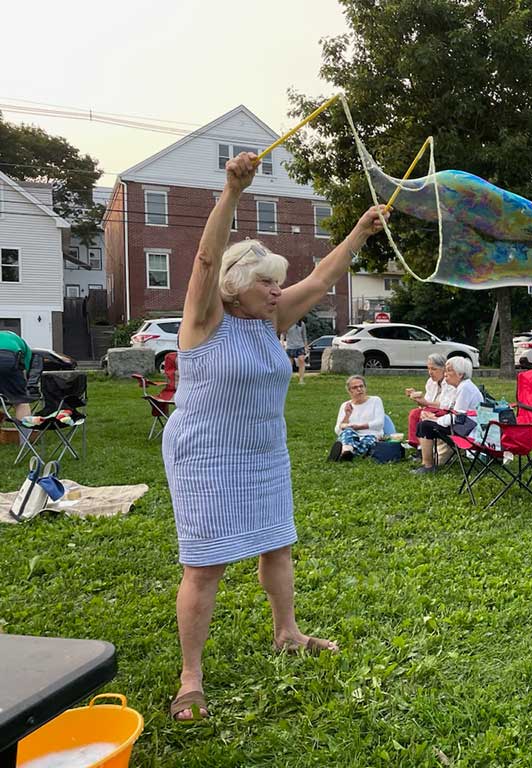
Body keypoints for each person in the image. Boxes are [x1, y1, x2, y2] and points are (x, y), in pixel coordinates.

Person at [162, 151, 388, 721]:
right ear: (238, 287)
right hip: (205, 455)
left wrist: (361, 230)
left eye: (276, 284)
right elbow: (207, 259)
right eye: (266, 283)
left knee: (277, 546)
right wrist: (231, 193)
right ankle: (191, 677)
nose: (276, 291)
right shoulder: (204, 321)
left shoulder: (273, 320)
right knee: (205, 565)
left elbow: (323, 276)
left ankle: (286, 632)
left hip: (263, 451)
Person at [412, 356, 482, 474]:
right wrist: (436, 419)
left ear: (460, 374)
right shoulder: (463, 386)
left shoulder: (465, 388)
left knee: (425, 425)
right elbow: (455, 413)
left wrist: (436, 420)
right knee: (425, 422)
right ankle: (427, 461)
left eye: (449, 370)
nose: (445, 374)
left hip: (468, 428)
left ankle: (428, 466)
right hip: (466, 425)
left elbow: (458, 417)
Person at [329, 375, 385, 461]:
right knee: (348, 431)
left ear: (365, 387)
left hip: (370, 434)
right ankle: (347, 451)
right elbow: (338, 430)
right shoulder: (345, 405)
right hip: (351, 436)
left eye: (361, 386)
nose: (359, 389)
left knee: (367, 442)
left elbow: (379, 423)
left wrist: (359, 427)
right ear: (349, 391)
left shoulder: (375, 400)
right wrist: (347, 415)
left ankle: (343, 453)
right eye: (355, 387)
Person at [405, 353, 451, 451]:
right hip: (432, 409)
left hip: (446, 411)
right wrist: (416, 397)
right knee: (414, 413)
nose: (430, 372)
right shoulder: (431, 382)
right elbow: (425, 402)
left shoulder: (450, 382)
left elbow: (445, 405)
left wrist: (425, 403)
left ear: (443, 369)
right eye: (428, 368)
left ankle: (423, 448)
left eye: (434, 369)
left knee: (424, 413)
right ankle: (415, 443)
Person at [0, 330, 33, 421]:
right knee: (21, 402)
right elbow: (26, 365)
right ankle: (25, 434)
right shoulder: (18, 340)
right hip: (9, 361)